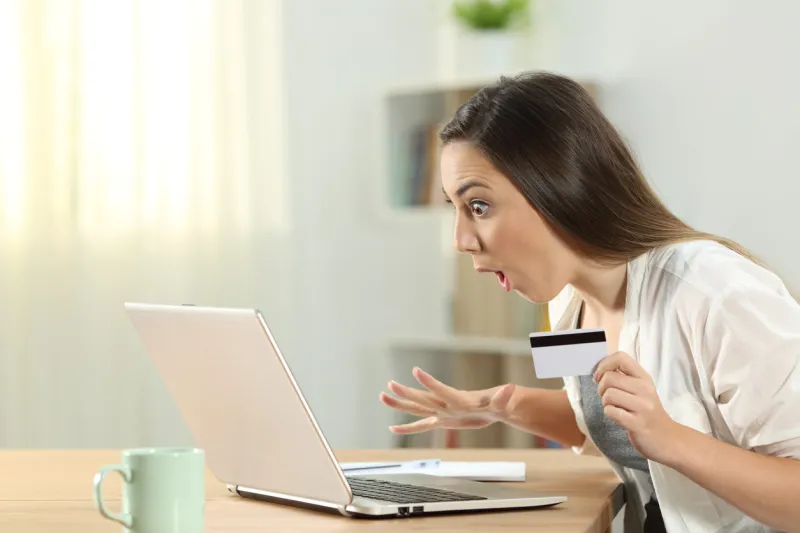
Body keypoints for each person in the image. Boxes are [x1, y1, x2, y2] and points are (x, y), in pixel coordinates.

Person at [379, 72, 800, 533]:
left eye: (477, 206)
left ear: (558, 185)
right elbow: (600, 423)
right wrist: (501, 405)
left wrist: (671, 440)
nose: (461, 240)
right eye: (454, 211)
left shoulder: (716, 292)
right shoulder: (568, 303)